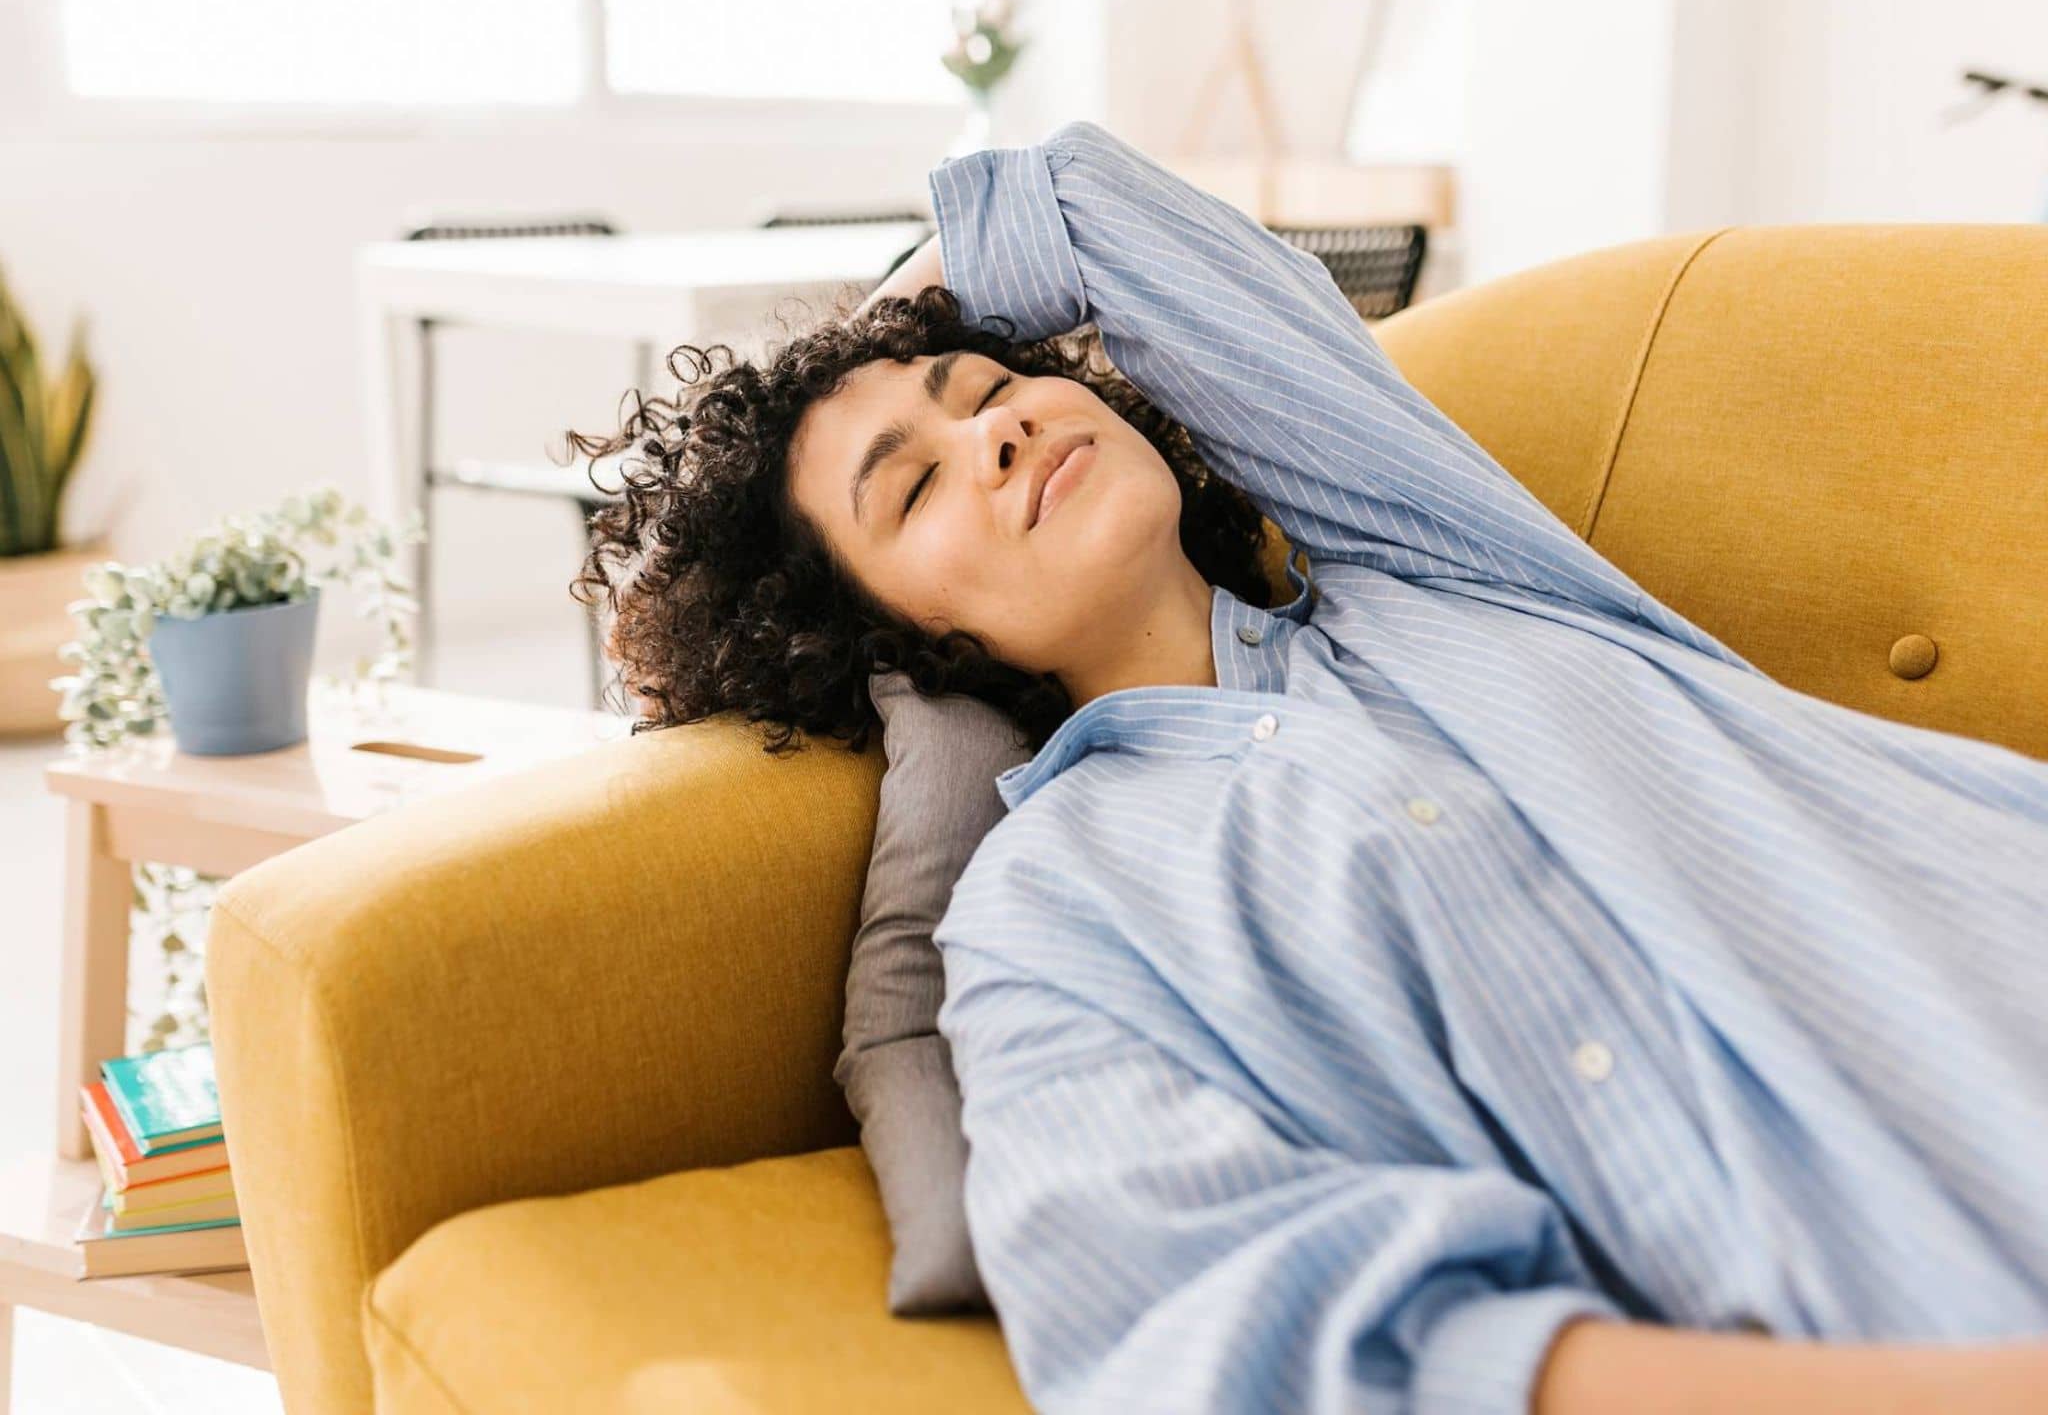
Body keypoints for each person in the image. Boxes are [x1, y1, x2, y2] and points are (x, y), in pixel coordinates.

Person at [566, 122, 2048, 1412]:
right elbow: (1198, 1305)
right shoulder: (1051, 912)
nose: (993, 433)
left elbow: (1087, 207)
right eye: (916, 486)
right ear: (901, 634)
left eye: (979, 388)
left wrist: (872, 341)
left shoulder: (1440, 569)